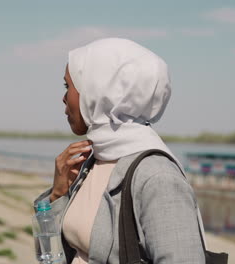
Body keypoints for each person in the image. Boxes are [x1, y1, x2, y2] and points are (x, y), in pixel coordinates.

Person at [34, 38, 205, 263]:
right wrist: (57, 195)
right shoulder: (94, 160)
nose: (64, 98)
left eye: (69, 86)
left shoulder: (157, 177)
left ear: (98, 89)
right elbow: (49, 258)